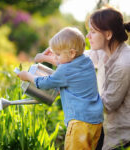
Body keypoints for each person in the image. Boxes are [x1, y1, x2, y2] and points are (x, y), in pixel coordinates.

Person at [17, 27, 103, 150]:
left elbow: (44, 83)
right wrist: (45, 57)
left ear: (72, 53)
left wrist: (27, 76)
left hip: (79, 123)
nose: (55, 58)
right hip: (96, 121)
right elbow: (65, 62)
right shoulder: (86, 61)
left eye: (58, 54)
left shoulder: (65, 70)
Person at [85, 6, 130, 150]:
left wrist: (73, 91)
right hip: (106, 127)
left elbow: (107, 105)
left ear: (108, 34)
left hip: (122, 137)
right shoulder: (106, 50)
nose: (88, 36)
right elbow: (87, 58)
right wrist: (58, 55)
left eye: (92, 32)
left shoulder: (123, 64)